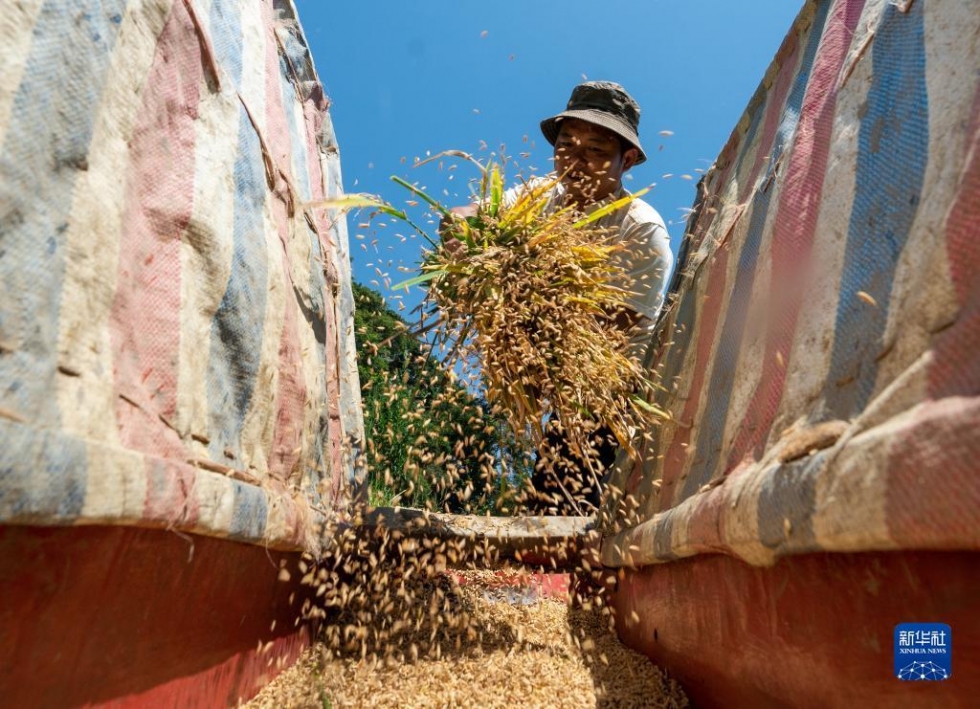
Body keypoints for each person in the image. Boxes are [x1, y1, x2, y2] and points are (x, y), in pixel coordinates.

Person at [450, 81, 673, 515]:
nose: (575, 161)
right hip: (550, 368)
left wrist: (524, 309)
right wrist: (458, 227)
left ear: (625, 159)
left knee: (564, 496)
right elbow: (474, 214)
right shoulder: (538, 196)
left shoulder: (640, 229)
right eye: (566, 145)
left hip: (608, 392)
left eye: (594, 150)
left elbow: (598, 340)